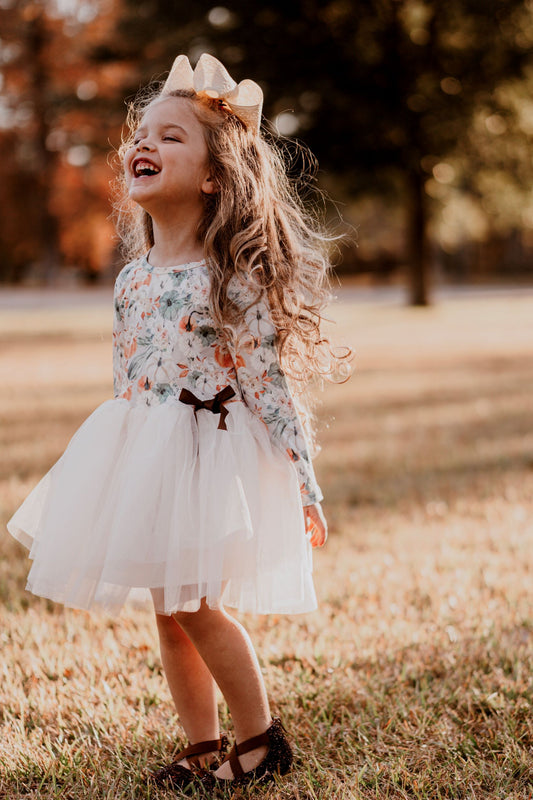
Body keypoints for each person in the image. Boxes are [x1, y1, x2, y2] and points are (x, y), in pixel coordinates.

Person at [6, 53, 350, 790]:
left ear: (212, 177)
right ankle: (202, 744)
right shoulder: (132, 278)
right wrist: (121, 457)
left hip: (210, 457)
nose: (145, 145)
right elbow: (128, 374)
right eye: (143, 134)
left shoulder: (233, 276)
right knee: (168, 613)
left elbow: (267, 381)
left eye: (171, 138)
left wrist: (302, 481)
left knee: (195, 605)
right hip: (145, 452)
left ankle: (261, 737)